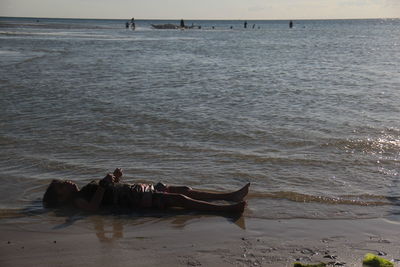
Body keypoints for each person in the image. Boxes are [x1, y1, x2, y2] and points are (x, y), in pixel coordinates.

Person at [43, 168, 249, 214]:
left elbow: (108, 190)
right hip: (135, 200)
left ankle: (230, 196)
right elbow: (93, 208)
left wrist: (114, 178)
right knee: (180, 199)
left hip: (136, 190)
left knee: (184, 189)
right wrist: (104, 186)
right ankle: (225, 210)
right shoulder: (79, 200)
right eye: (62, 186)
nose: (67, 182)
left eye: (63, 181)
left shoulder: (86, 188)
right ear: (62, 197)